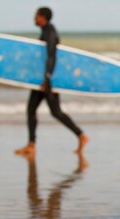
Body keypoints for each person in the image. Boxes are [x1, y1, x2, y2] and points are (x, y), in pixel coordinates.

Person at [15, 6, 88, 156]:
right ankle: (31, 145)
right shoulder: (46, 31)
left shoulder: (50, 32)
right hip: (42, 79)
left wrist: (47, 78)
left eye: (36, 16)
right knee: (32, 110)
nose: (34, 18)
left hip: (48, 80)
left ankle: (81, 135)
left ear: (43, 17)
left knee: (56, 112)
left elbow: (51, 56)